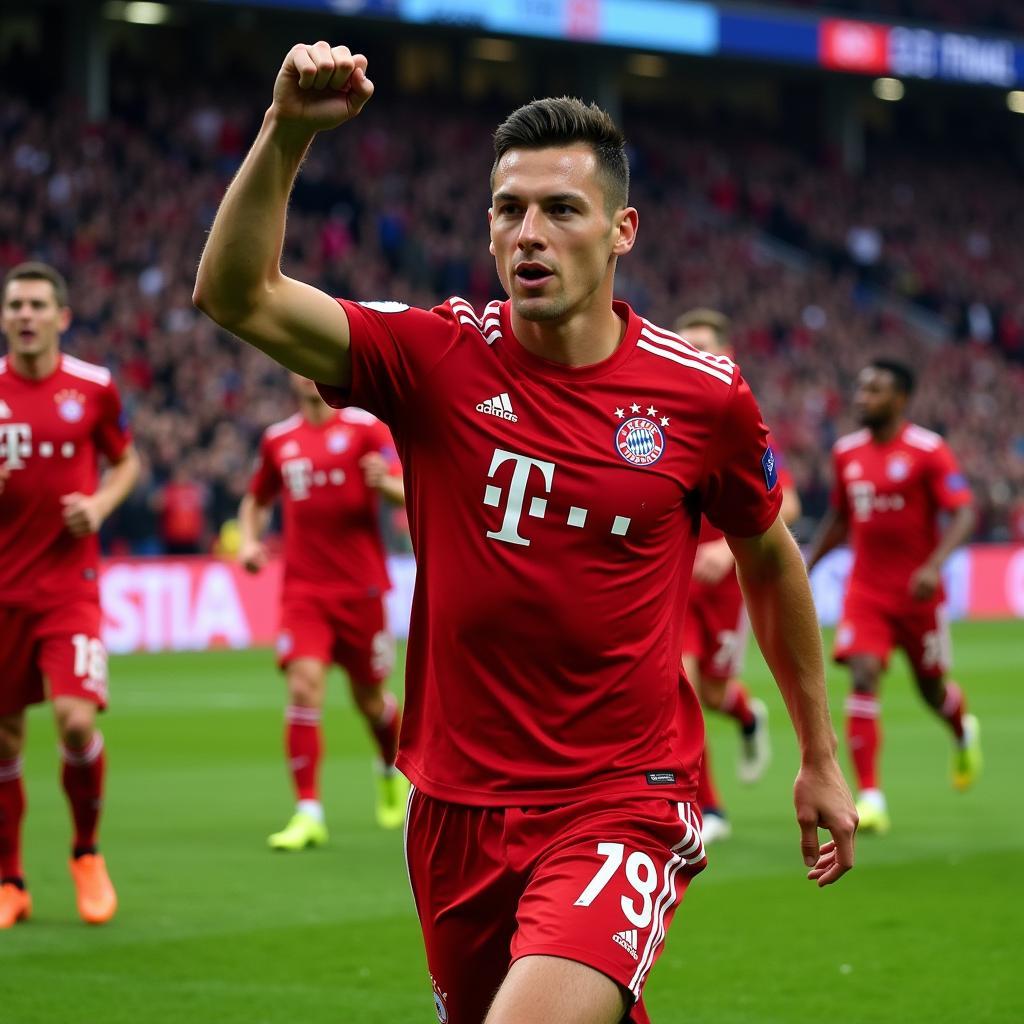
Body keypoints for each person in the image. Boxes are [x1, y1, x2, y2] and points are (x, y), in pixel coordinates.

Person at [194, 42, 856, 1024]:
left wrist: (819, 751)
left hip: (623, 802)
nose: (528, 234)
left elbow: (767, 549)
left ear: (621, 230)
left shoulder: (701, 396)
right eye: (508, 210)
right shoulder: (435, 356)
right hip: (453, 806)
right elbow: (236, 295)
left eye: (560, 210)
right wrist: (286, 133)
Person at [0, 261, 140, 927]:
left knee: (76, 720)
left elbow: (128, 461)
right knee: (3, 741)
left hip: (68, 590)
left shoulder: (93, 388)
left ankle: (86, 854)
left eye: (36, 305)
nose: (24, 315)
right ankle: (10, 881)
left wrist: (102, 502)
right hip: (3, 594)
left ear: (62, 317)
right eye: (14, 305)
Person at [806, 359, 981, 835]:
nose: (862, 397)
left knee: (931, 689)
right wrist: (808, 565)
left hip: (918, 595)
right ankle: (872, 797)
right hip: (865, 591)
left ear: (900, 398)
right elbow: (840, 520)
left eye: (875, 390)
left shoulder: (929, 450)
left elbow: (964, 514)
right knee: (863, 675)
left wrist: (932, 565)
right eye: (861, 388)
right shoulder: (846, 453)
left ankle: (963, 729)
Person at [238, 373, 407, 848]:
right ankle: (308, 811)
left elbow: (407, 484)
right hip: (304, 592)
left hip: (362, 590)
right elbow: (256, 500)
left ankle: (387, 770)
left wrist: (386, 486)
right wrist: (250, 541)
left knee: (371, 700)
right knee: (303, 687)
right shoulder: (279, 440)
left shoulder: (366, 429)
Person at [673, 309, 802, 844]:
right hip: (673, 583)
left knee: (713, 689)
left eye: (704, 346)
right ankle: (708, 807)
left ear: (728, 356)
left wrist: (727, 550)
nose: (694, 355)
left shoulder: (743, 425)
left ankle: (747, 713)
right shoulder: (660, 422)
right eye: (685, 346)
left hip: (727, 587)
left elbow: (787, 503)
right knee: (680, 686)